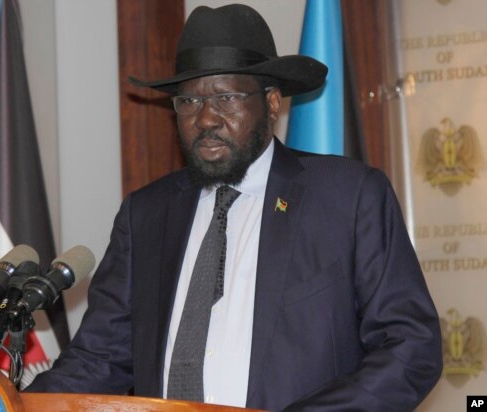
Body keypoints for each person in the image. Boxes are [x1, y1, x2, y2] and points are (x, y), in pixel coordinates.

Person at [25, 4, 442, 411]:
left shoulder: (347, 198)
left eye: (225, 97)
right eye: (187, 102)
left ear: (272, 103)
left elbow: (410, 348)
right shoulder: (146, 215)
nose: (205, 119)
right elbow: (99, 360)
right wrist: (7, 403)